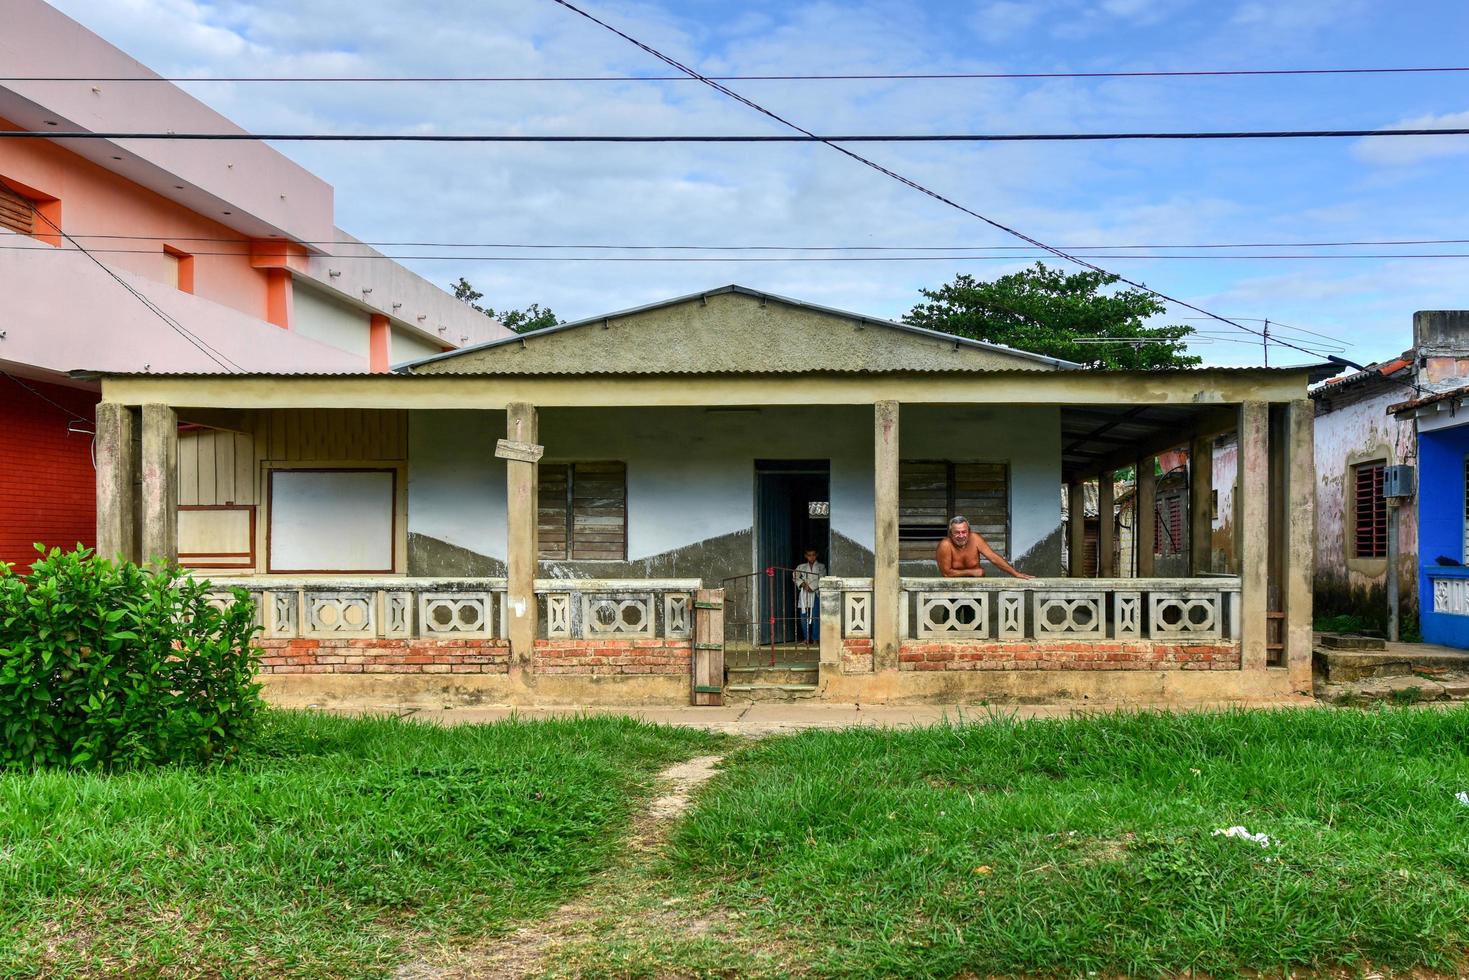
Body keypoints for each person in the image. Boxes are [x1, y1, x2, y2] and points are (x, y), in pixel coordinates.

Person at [936, 516, 1034, 579]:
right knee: (952, 612)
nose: (961, 536)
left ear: (969, 531)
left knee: (974, 612)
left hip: (976, 587)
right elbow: (947, 573)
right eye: (957, 532)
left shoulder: (975, 538)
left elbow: (993, 557)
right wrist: (972, 572)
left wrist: (1016, 574)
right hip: (953, 588)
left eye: (964, 532)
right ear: (950, 533)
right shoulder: (945, 545)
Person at [792, 548, 826, 643]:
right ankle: (806, 638)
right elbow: (795, 576)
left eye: (813, 555)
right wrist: (803, 584)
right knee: (804, 616)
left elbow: (822, 578)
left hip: (815, 593)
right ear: (806, 556)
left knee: (815, 616)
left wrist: (811, 587)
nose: (811, 557)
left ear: (816, 555)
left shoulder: (821, 566)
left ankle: (815, 638)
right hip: (804, 593)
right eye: (809, 555)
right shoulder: (801, 567)